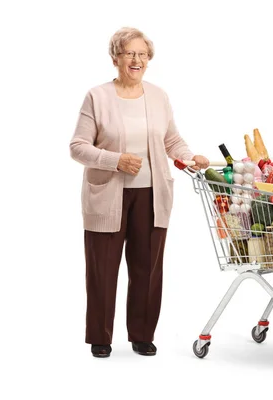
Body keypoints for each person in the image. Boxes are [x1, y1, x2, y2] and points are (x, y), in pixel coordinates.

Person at [69, 27, 209, 358]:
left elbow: (171, 140)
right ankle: (100, 337)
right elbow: (77, 147)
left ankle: (142, 335)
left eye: (143, 55)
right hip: (107, 196)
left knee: (148, 268)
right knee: (102, 269)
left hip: (152, 194)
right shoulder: (97, 96)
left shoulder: (159, 96)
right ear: (116, 57)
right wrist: (116, 161)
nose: (137, 60)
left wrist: (190, 158)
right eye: (130, 53)